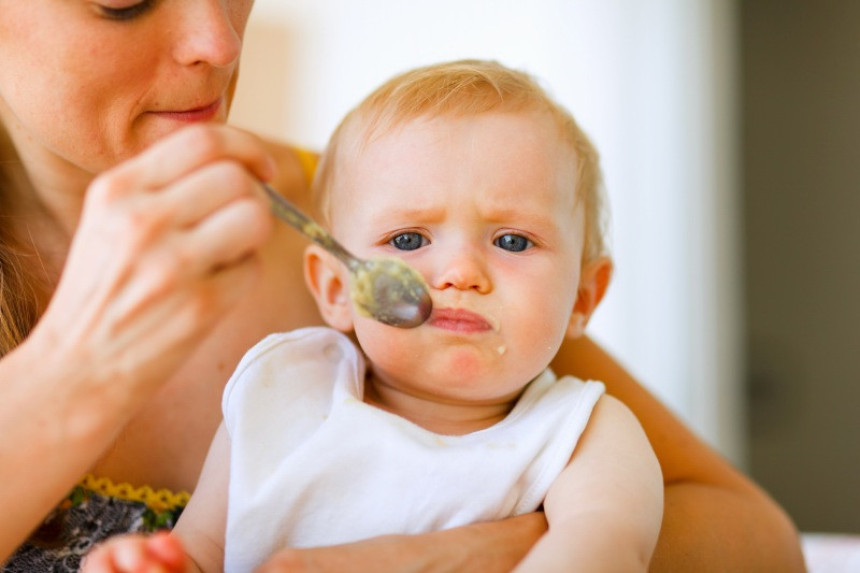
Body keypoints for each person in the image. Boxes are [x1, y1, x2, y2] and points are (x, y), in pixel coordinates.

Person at [0, 1, 804, 572]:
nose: (217, 37)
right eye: (122, 2)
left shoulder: (365, 218)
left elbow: (759, 541)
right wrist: (72, 371)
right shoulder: (297, 356)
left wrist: (453, 552)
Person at [82, 59, 665, 572]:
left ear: (585, 298)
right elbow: (203, 552)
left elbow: (603, 550)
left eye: (512, 242)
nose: (460, 272)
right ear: (336, 288)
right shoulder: (281, 390)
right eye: (409, 239)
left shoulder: (583, 434)